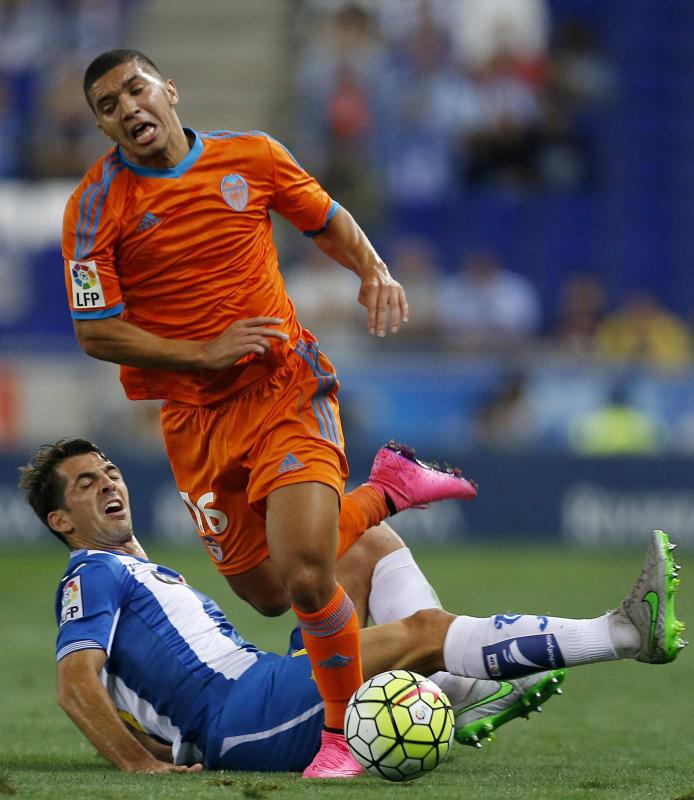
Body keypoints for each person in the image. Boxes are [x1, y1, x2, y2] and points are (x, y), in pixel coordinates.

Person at [61, 48, 412, 778]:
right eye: (107, 105)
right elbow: (95, 330)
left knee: (310, 575)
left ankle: (340, 740)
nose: (126, 107)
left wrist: (374, 269)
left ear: (168, 90)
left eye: (134, 88)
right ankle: (390, 492)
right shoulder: (94, 206)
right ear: (103, 126)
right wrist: (204, 352)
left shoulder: (252, 156)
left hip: (284, 384)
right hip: (194, 418)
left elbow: (327, 219)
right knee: (270, 595)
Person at [20, 439, 687, 775]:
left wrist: (156, 742)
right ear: (60, 518)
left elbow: (132, 696)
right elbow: (75, 685)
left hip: (256, 689)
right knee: (422, 632)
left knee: (361, 542)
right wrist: (142, 767)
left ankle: (455, 686)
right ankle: (625, 633)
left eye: (109, 469)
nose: (108, 481)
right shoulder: (92, 570)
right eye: (86, 483)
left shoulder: (142, 571)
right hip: (242, 711)